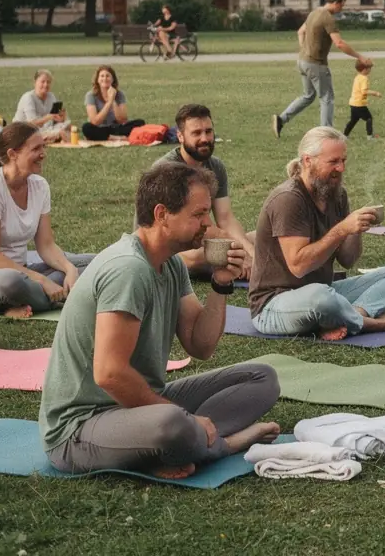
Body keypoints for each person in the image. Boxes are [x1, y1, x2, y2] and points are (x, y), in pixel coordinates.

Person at [39, 164, 281, 478]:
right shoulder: (129, 269)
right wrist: (182, 415)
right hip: (78, 429)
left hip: (138, 409)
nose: (207, 223)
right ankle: (221, 444)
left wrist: (221, 283)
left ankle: (186, 441)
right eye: (198, 214)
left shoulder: (171, 265)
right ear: (162, 214)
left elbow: (201, 345)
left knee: (262, 378)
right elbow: (109, 374)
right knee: (172, 423)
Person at [249, 127, 385, 339]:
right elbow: (299, 266)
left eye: (343, 160)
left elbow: (347, 260)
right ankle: (374, 324)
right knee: (322, 297)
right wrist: (342, 228)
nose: (341, 168)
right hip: (274, 305)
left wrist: (355, 230)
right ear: (308, 161)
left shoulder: (336, 194)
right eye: (333, 161)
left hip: (323, 290)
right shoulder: (288, 199)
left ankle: (354, 315)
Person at [0, 123, 91, 318]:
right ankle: (60, 294)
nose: (43, 154)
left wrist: (70, 270)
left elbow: (46, 245)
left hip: (22, 271)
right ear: (13, 154)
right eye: (36, 149)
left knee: (94, 261)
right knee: (11, 283)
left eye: (43, 147)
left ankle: (42, 295)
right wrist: (41, 280)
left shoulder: (39, 186)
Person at [153, 104, 255, 277]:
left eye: (208, 131)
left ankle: (247, 263)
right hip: (168, 248)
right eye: (196, 133)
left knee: (261, 238)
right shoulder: (167, 171)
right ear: (180, 136)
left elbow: (225, 218)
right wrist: (238, 249)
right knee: (207, 255)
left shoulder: (215, 166)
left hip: (198, 240)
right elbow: (183, 226)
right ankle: (236, 265)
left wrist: (251, 253)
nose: (205, 138)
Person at [272, 0, 371, 135]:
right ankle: (326, 133)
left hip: (303, 61)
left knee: (308, 96)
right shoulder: (328, 18)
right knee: (327, 98)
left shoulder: (313, 13)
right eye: (341, 6)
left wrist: (304, 49)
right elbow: (339, 43)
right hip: (316, 64)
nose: (341, 9)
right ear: (335, 3)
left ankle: (281, 119)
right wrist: (359, 56)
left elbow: (300, 32)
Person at [82, 66, 145, 142]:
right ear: (97, 80)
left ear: (112, 79)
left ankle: (110, 137)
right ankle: (114, 137)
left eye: (108, 76)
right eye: (102, 76)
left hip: (115, 128)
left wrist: (113, 100)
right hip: (99, 128)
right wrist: (109, 102)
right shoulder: (91, 95)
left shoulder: (119, 94)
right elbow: (95, 122)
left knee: (140, 123)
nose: (105, 79)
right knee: (86, 128)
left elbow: (122, 120)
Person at [14, 68, 70, 143]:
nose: (46, 85)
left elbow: (55, 119)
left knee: (68, 125)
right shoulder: (28, 97)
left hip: (43, 129)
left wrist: (61, 117)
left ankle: (54, 136)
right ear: (35, 83)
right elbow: (32, 123)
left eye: (48, 82)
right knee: (59, 132)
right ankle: (54, 136)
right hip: (25, 130)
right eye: (42, 82)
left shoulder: (51, 96)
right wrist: (49, 117)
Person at [342, 59, 381, 139]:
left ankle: (345, 135)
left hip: (353, 103)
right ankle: (370, 136)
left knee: (353, 120)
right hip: (359, 104)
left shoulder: (357, 77)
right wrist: (375, 93)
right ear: (365, 69)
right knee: (369, 118)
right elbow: (364, 91)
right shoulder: (364, 78)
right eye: (370, 68)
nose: (370, 70)